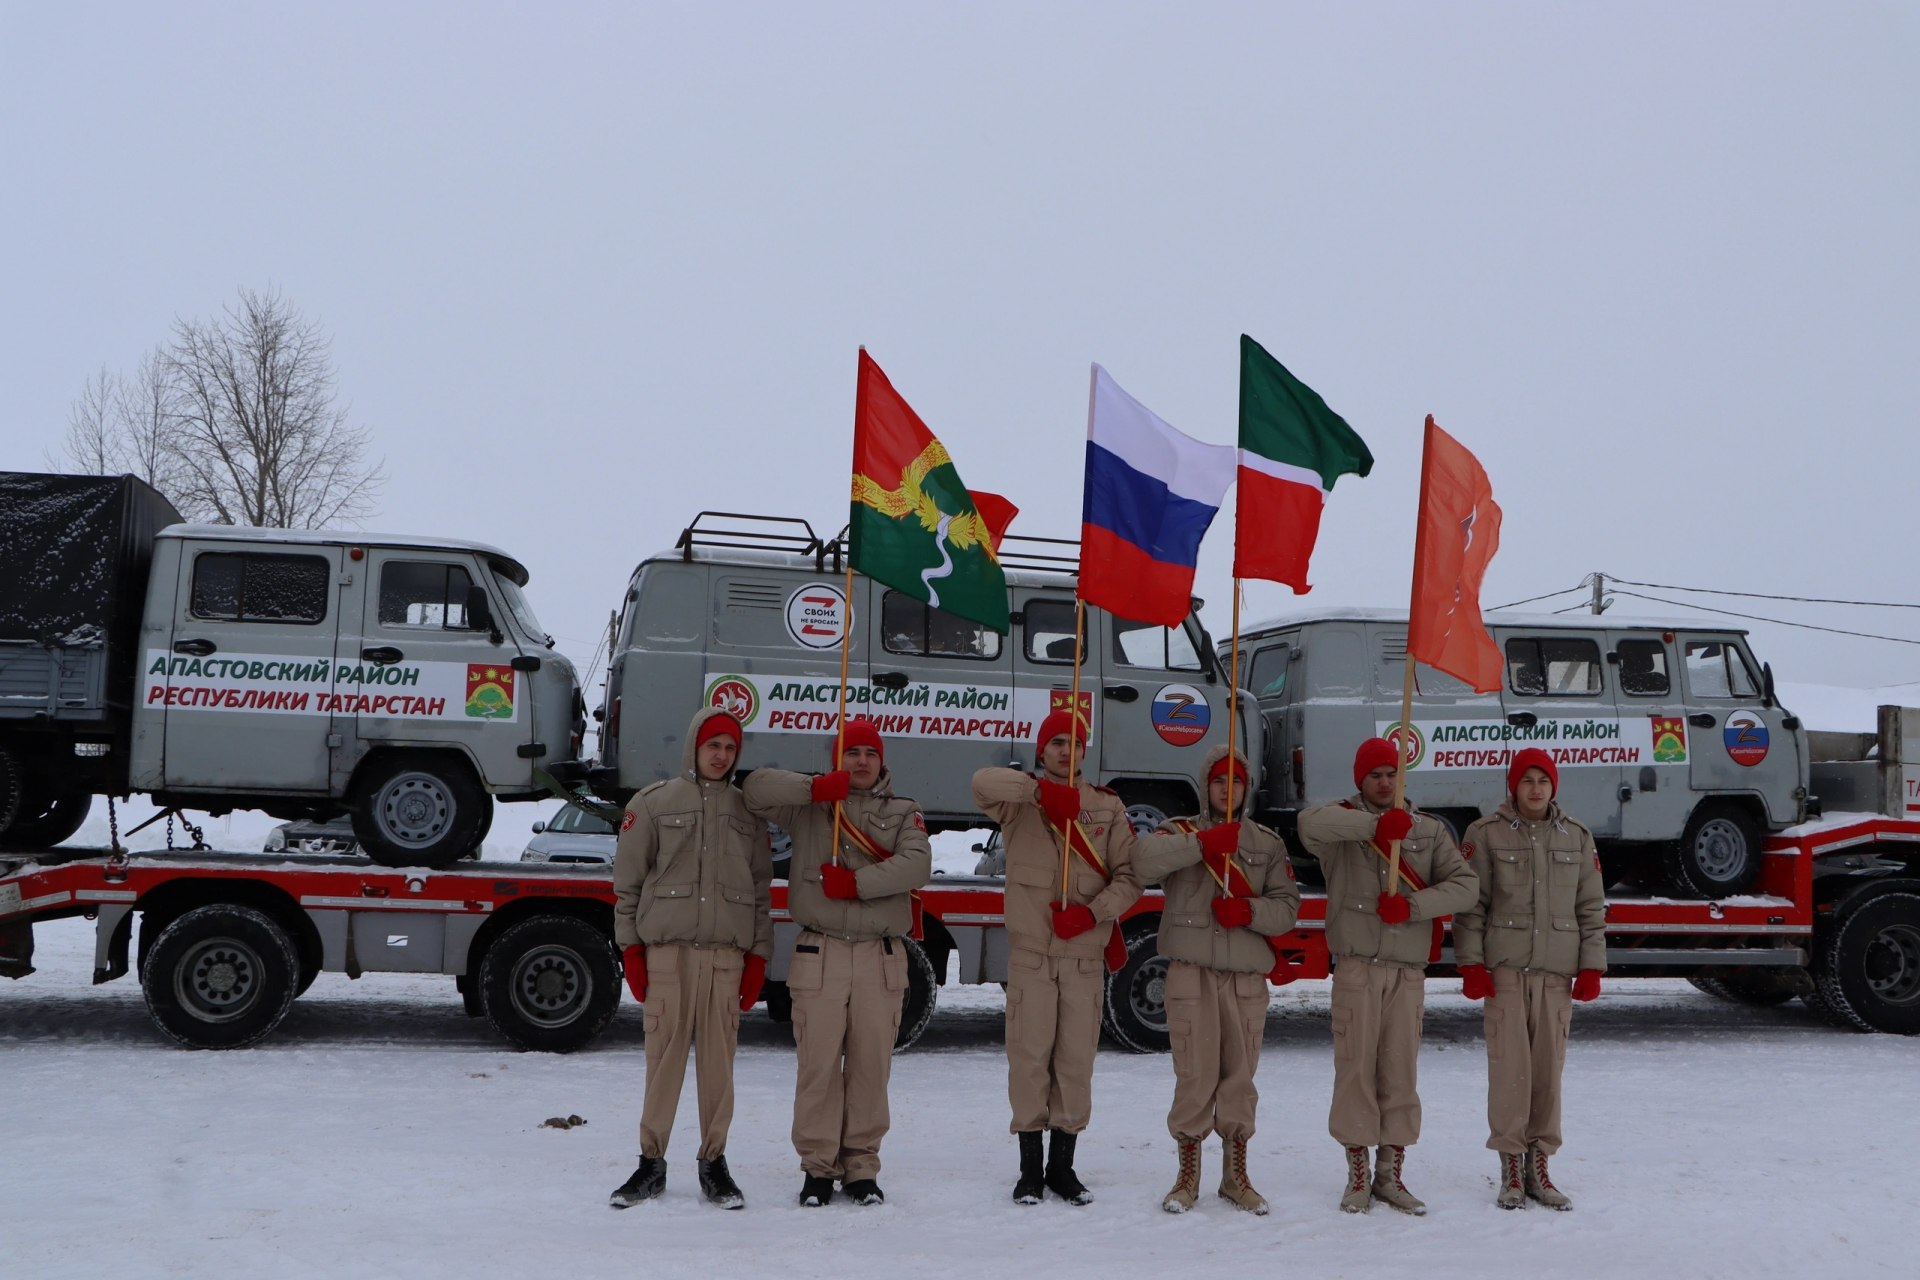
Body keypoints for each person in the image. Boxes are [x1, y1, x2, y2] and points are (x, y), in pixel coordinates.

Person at [742, 719, 932, 1208]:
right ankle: (818, 1169)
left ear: (882, 760)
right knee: (818, 1067)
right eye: (852, 753)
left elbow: (918, 865)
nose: (862, 762)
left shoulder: (904, 810)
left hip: (879, 955)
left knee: (872, 1068)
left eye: (870, 753)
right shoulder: (811, 806)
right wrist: (816, 787)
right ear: (837, 759)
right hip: (821, 953)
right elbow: (754, 789)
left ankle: (862, 1168)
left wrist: (856, 885)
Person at [1296, 737, 1478, 1215]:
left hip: (1406, 972)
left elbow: (1465, 886)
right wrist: (1377, 825)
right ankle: (1357, 1177)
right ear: (1360, 780)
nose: (1384, 782)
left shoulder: (1431, 831)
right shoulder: (1341, 824)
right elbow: (1306, 825)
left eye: (1391, 774)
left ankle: (1390, 1176)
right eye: (1374, 774)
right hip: (1357, 967)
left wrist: (1415, 905)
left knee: (1400, 1072)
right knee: (1355, 1070)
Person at [972, 707, 1142, 1205]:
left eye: (1076, 743)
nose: (1067, 752)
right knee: (1028, 1059)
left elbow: (1130, 878)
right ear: (1041, 750)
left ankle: (1061, 1168)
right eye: (1057, 743)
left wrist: (1093, 915)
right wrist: (1041, 792)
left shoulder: (1107, 807)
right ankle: (1028, 1170)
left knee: (1074, 1062)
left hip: (1083, 954)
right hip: (1031, 955)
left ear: (1086, 751)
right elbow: (981, 783)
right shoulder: (1020, 801)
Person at [607, 707, 774, 1211]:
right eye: (712, 746)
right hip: (667, 957)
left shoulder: (749, 813)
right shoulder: (653, 803)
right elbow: (628, 884)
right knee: (663, 1064)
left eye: (729, 748)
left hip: (725, 960)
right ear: (694, 748)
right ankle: (650, 1164)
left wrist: (758, 957)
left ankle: (714, 1165)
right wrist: (631, 949)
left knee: (718, 1067)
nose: (721, 756)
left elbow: (762, 890)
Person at [1133, 745, 1301, 1214]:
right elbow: (1142, 861)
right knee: (1194, 1075)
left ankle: (1235, 1176)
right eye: (1220, 781)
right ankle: (1187, 1176)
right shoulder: (1178, 832)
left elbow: (1288, 908)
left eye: (1238, 781)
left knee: (1240, 1078)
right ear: (1205, 785)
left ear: (1248, 788)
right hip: (1192, 975)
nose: (1228, 789)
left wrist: (1248, 910)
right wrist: (1202, 846)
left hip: (1245, 979)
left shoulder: (1266, 843)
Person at [1454, 748, 1607, 1210]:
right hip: (1504, 973)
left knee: (1548, 1074)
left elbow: (1590, 906)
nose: (1536, 788)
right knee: (1509, 1071)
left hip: (1557, 973)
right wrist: (1471, 963)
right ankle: (1510, 1168)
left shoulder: (1577, 837)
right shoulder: (1484, 834)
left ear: (1553, 786)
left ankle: (1539, 1166)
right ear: (1513, 787)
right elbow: (1471, 906)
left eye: (1543, 780)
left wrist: (1592, 965)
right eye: (1527, 780)